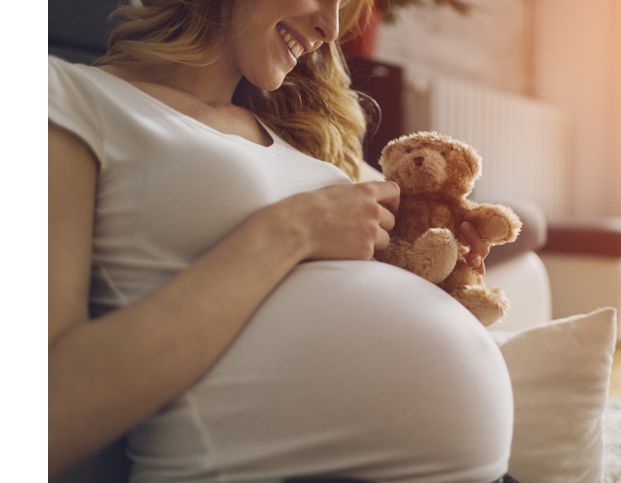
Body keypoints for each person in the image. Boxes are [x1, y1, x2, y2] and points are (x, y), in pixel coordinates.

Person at [48, 0, 514, 481]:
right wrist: (293, 229)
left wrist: (440, 258)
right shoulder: (66, 94)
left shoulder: (294, 133)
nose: (330, 28)